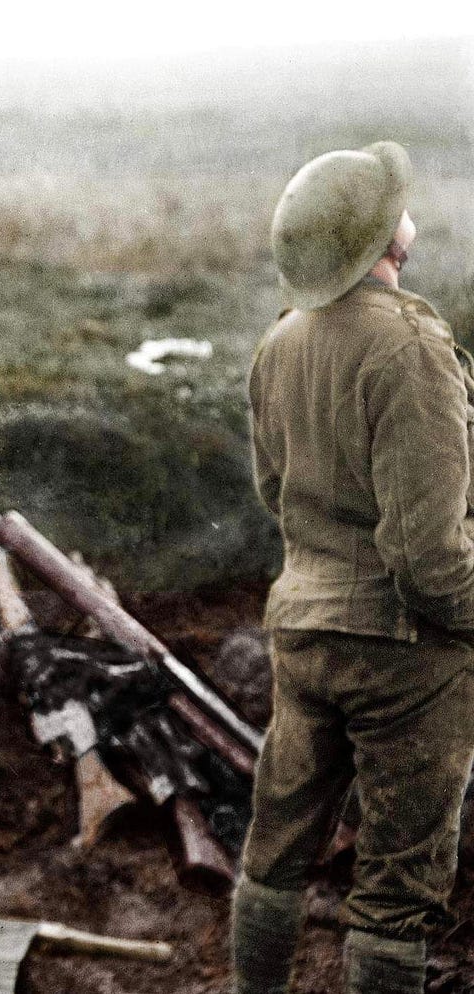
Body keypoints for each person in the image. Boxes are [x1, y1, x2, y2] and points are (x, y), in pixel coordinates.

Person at [233, 140, 474, 994]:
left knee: (275, 853)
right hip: (405, 651)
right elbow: (431, 562)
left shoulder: (280, 342)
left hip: (302, 632)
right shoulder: (411, 346)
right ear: (384, 239)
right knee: (397, 893)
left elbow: (275, 491)